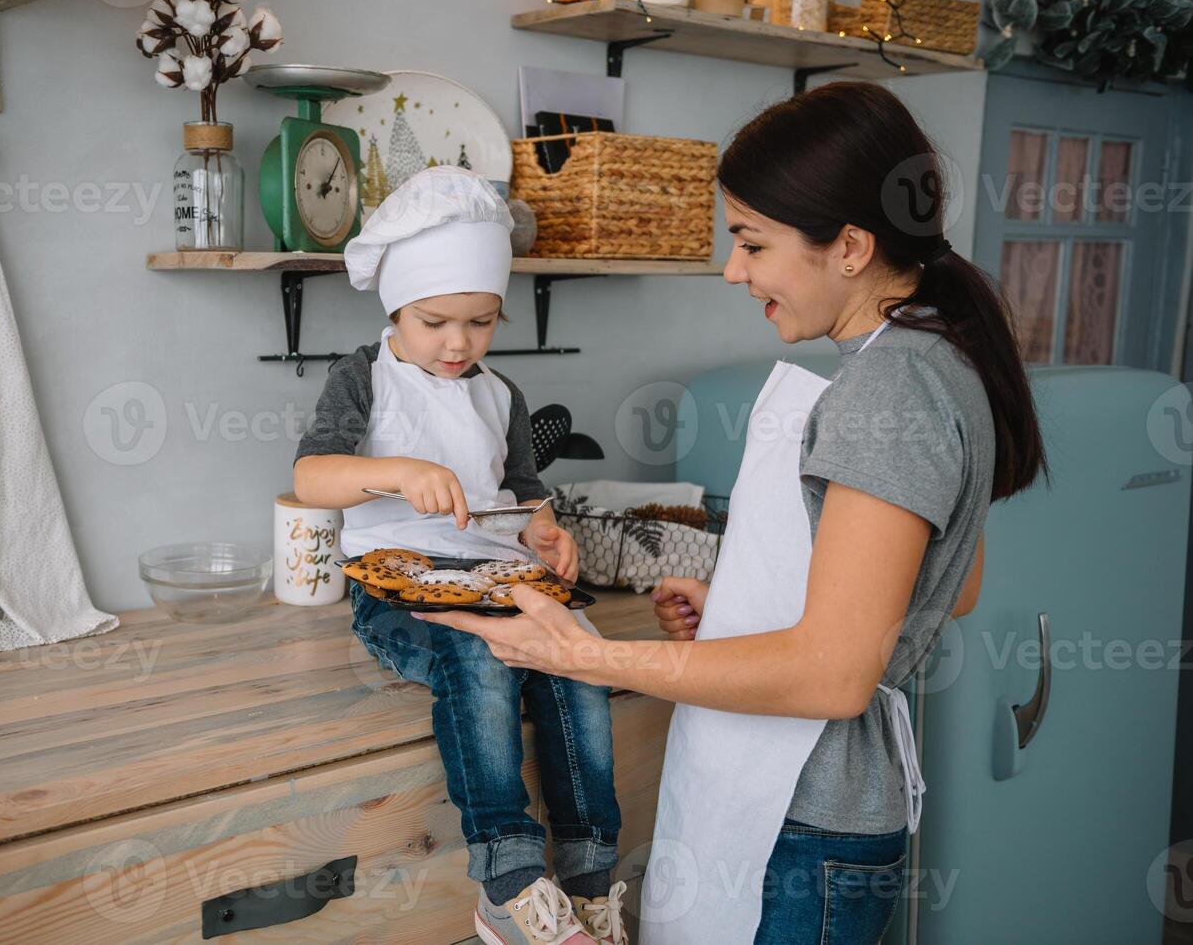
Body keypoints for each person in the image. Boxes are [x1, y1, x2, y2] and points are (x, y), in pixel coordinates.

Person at [414, 83, 1047, 944]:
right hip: (834, 824)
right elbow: (952, 585)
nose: (733, 269)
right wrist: (747, 616)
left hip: (803, 826)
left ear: (852, 246)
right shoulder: (944, 353)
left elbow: (831, 676)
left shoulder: (886, 388)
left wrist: (596, 658)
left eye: (752, 242)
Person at [293, 167, 627, 945]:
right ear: (395, 307)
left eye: (480, 322)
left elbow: (521, 488)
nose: (458, 343)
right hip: (398, 591)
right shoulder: (363, 379)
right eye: (435, 321)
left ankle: (585, 874)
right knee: (479, 661)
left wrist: (545, 530)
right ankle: (508, 881)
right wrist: (396, 472)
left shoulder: (500, 392)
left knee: (578, 659)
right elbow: (312, 477)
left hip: (496, 576)